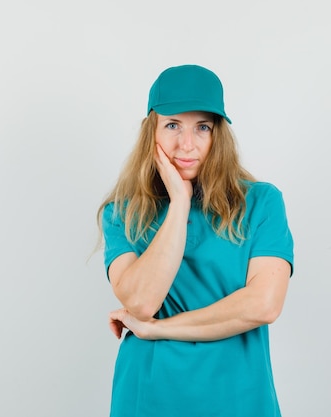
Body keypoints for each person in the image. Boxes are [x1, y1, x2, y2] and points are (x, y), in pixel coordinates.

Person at [97, 64, 294, 417]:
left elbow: (264, 305)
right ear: (150, 133)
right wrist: (180, 203)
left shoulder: (261, 202)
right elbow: (141, 302)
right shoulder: (121, 213)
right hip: (148, 395)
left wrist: (157, 329)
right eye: (172, 125)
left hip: (238, 396)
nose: (186, 144)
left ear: (218, 134)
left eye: (202, 127)